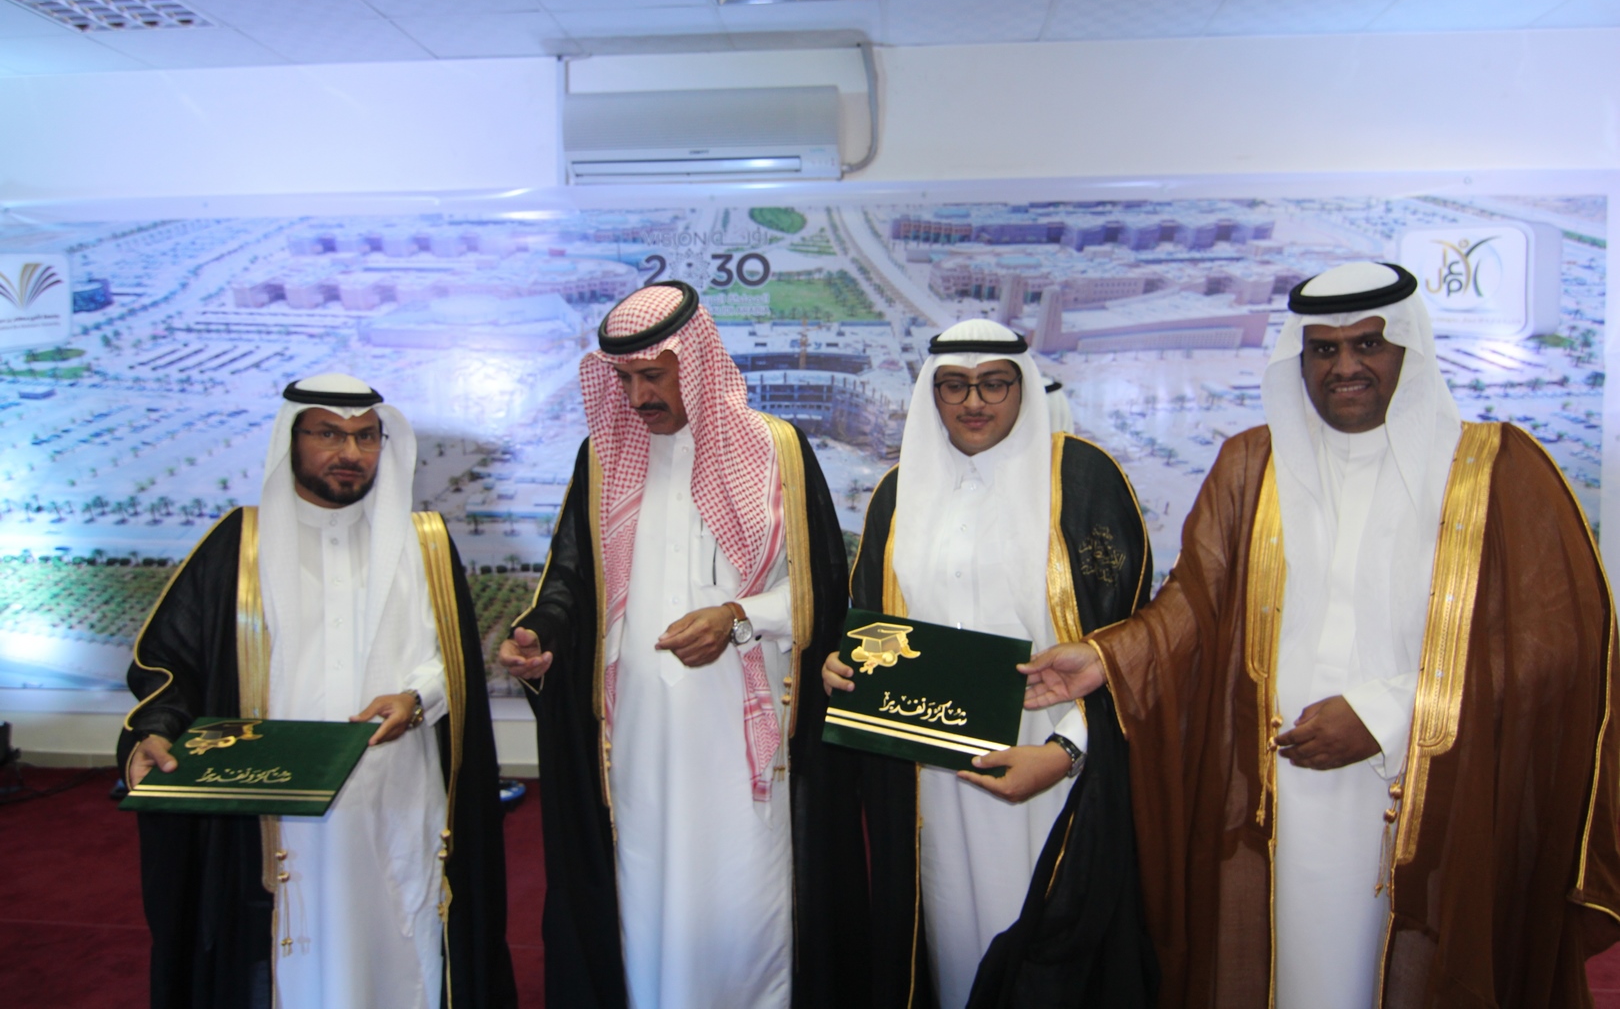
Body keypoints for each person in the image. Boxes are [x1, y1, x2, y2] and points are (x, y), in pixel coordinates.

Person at [1022, 261, 1620, 1006]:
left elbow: (1553, 646)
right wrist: (1105, 658)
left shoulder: (1498, 469)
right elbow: (1194, 607)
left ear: (1407, 350)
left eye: (1368, 344)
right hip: (1280, 795)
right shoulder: (1251, 465)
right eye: (1324, 349)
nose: (1345, 367)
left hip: (1437, 793)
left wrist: (1386, 714)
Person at [498, 281, 853, 1009]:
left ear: (693, 362)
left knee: (743, 892)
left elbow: (821, 589)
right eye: (624, 379)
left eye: (653, 376)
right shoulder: (603, 458)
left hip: (743, 729)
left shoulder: (776, 453)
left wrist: (737, 616)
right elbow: (572, 580)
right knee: (646, 885)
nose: (637, 397)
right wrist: (541, 633)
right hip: (639, 734)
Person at [119, 373, 516, 1009]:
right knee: (289, 950)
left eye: (365, 437)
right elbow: (172, 662)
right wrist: (155, 730)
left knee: (402, 939)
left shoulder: (425, 543)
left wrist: (418, 699)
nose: (350, 452)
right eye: (328, 434)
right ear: (292, 439)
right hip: (275, 809)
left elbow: (456, 659)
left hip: (397, 794)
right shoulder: (238, 544)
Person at [821, 319, 1158, 1008]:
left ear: (1022, 388)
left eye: (994, 384)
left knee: (1051, 944)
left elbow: (1131, 643)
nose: (974, 402)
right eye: (954, 386)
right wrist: (843, 667)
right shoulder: (897, 493)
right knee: (952, 937)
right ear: (932, 394)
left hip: (1057, 762)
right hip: (934, 774)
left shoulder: (1084, 480)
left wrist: (1070, 750)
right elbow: (874, 624)